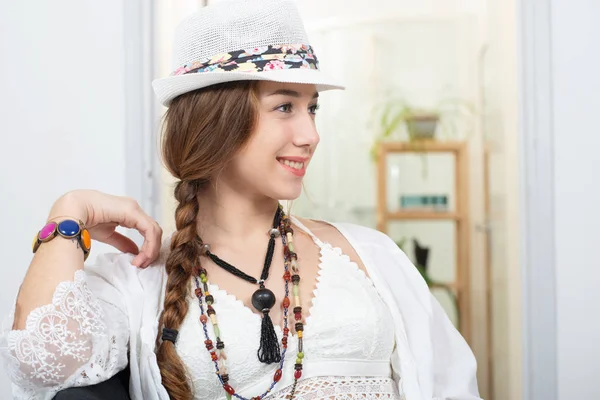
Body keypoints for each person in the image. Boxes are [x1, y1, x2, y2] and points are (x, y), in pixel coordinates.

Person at [0, 1, 482, 399]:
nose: (310, 134)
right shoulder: (141, 283)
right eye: (284, 106)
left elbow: (452, 384)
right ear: (217, 122)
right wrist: (69, 214)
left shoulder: (370, 256)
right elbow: (41, 359)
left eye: (312, 107)